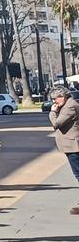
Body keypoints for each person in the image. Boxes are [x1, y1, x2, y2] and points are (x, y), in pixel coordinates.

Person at [47, 86, 79, 215]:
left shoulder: (70, 106)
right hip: (71, 144)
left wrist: (52, 112)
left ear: (63, 96)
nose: (55, 102)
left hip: (73, 145)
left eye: (55, 99)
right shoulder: (69, 104)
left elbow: (57, 124)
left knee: (78, 174)